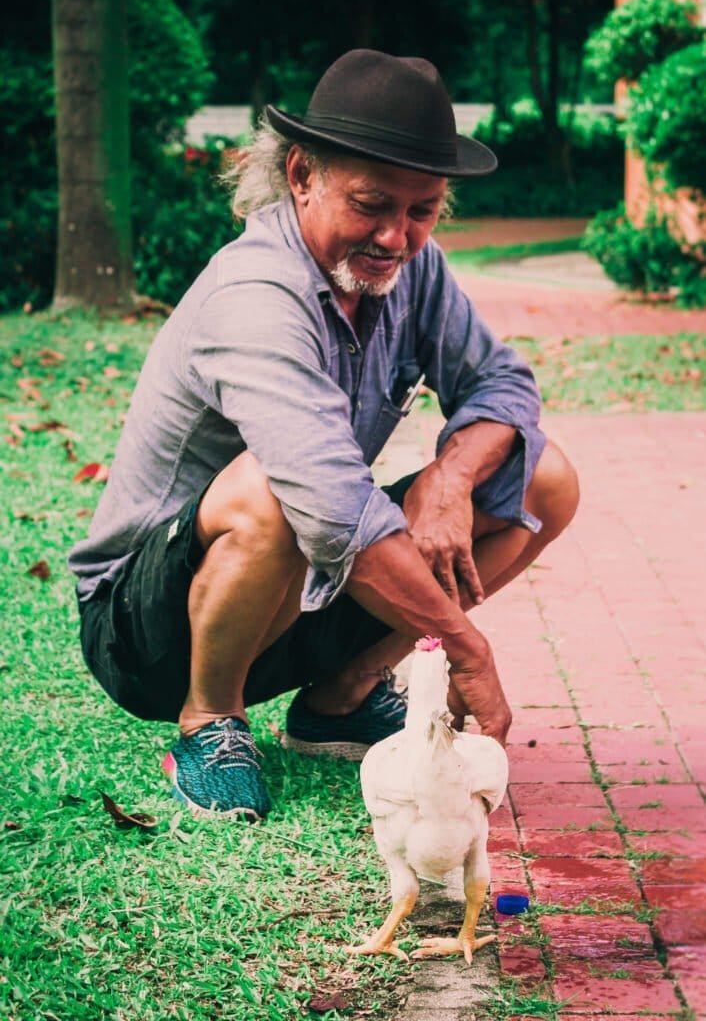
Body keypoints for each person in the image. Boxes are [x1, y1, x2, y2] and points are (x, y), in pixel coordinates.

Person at [68, 49, 579, 822]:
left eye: (422, 209)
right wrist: (464, 648)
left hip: (300, 590)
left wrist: (450, 477)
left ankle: (340, 701)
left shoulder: (416, 267)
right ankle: (210, 720)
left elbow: (503, 385)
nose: (396, 236)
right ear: (302, 174)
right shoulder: (254, 294)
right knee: (277, 487)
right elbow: (332, 506)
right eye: (372, 204)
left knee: (543, 479)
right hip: (150, 630)